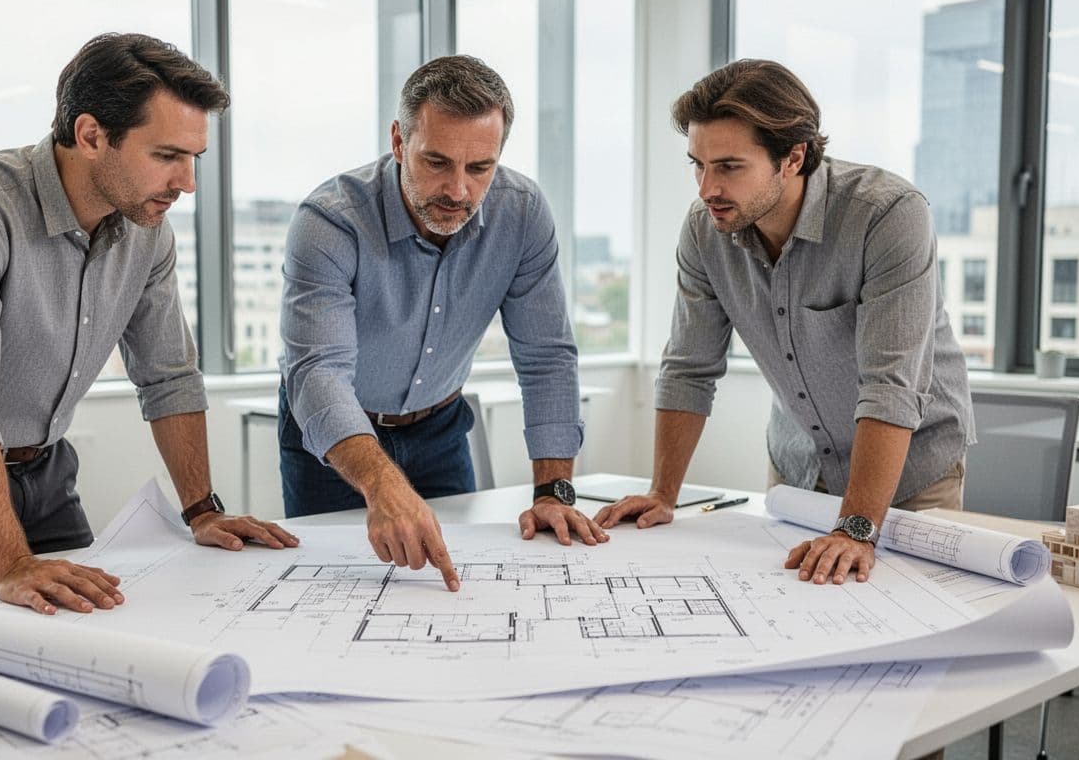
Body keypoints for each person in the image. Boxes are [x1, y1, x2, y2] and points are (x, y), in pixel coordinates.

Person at [0, 33, 297, 615]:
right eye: (166, 156)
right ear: (91, 135)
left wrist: (201, 509)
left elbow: (169, 376)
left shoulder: (146, 231)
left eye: (194, 158)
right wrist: (11, 565)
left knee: (92, 621)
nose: (187, 182)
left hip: (45, 468)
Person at [596, 59, 974, 586]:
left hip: (911, 477)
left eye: (728, 166)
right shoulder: (706, 231)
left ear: (792, 157)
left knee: (915, 630)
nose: (707, 188)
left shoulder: (887, 215)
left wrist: (858, 527)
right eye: (697, 165)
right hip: (800, 471)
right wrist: (664, 493)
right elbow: (688, 367)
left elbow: (891, 386)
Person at [279, 55, 607, 592]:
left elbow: (546, 357)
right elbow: (317, 373)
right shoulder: (330, 220)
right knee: (343, 594)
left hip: (440, 430)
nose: (458, 191)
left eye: (480, 168)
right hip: (335, 440)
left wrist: (554, 492)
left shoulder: (521, 213)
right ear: (399, 141)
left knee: (456, 590)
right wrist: (382, 483)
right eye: (436, 162)